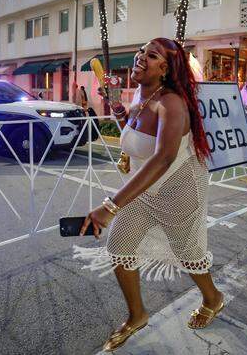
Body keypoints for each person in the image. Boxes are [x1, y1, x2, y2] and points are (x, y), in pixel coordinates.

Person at [74, 38, 223, 352]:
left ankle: (213, 298)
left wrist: (110, 206)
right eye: (141, 51)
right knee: (119, 247)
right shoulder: (142, 93)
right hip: (144, 191)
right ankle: (137, 314)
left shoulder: (171, 103)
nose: (140, 57)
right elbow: (134, 124)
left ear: (166, 69)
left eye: (151, 55)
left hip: (178, 191)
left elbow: (163, 157)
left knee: (188, 253)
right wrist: (117, 108)